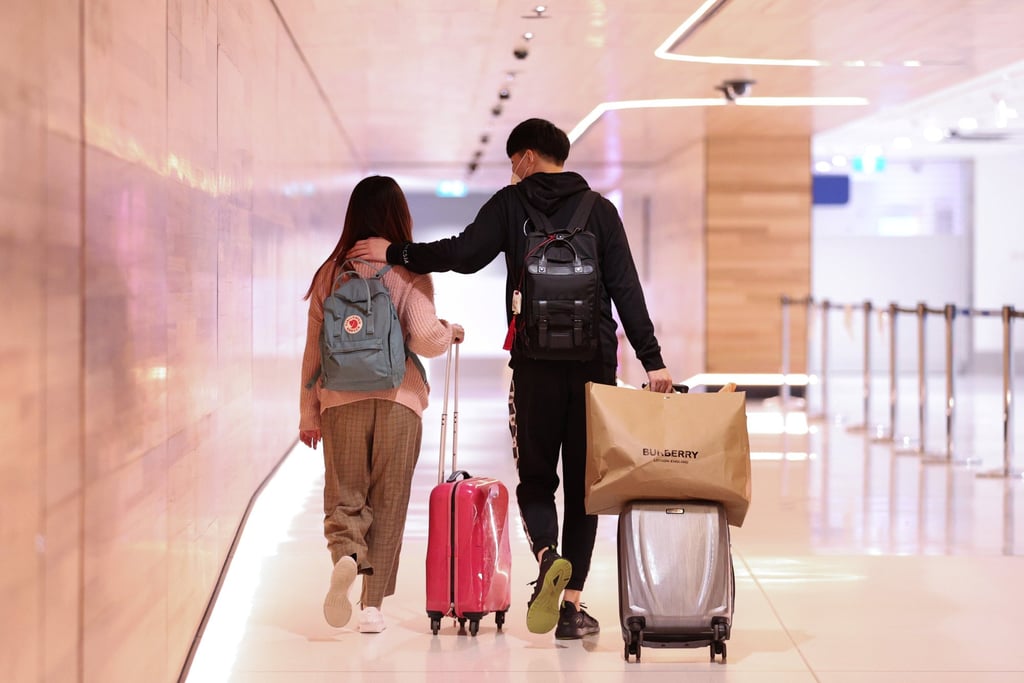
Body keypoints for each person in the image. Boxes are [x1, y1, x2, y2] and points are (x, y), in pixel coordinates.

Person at [348, 118, 673, 640]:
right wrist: (652, 360)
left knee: (537, 480)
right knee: (586, 489)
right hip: (595, 370)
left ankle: (547, 557)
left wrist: (396, 253)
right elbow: (626, 290)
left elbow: (460, 255)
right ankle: (570, 607)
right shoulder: (602, 213)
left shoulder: (511, 203)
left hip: (534, 366)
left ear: (524, 158)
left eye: (512, 161)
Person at [299, 175, 464, 634]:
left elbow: (313, 353)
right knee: (389, 501)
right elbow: (428, 339)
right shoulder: (406, 269)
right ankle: (372, 608)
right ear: (399, 216)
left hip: (339, 400)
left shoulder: (330, 272)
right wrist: (451, 331)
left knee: (345, 495)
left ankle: (348, 556)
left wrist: (308, 413)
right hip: (400, 400)